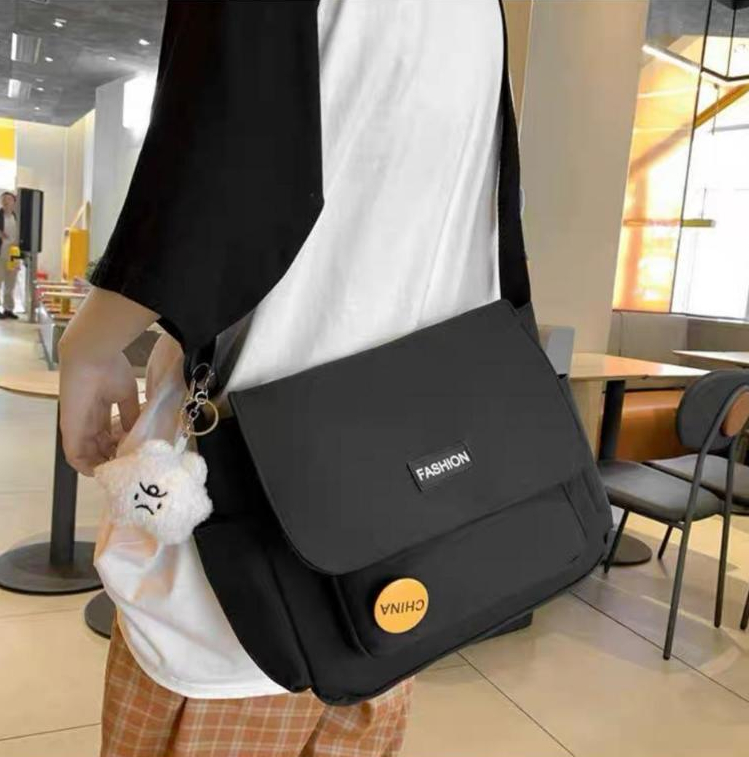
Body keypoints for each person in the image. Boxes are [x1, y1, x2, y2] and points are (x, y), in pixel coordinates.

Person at [58, 1, 512, 755]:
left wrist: (90, 345)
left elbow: (214, 189)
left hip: (235, 584)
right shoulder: (481, 12)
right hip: (394, 563)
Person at [0, 191, 19, 319]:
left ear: (13, 202)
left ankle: (8, 309)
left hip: (13, 254)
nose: (6, 201)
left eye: (8, 199)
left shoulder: (16, 217)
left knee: (11, 283)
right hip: (1, 252)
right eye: (3, 199)